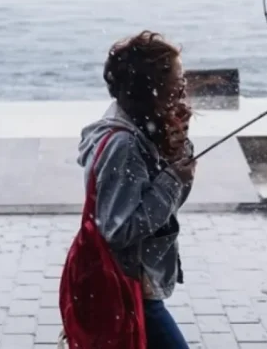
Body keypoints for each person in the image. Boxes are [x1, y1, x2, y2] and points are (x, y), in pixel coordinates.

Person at [61, 30, 196, 349]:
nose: (183, 88)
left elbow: (167, 209)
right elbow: (119, 229)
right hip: (128, 285)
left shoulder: (138, 127)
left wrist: (177, 150)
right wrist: (172, 179)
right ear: (152, 88)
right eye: (177, 80)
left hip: (131, 283)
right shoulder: (124, 145)